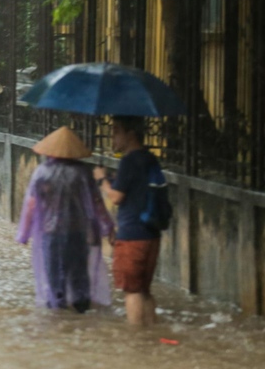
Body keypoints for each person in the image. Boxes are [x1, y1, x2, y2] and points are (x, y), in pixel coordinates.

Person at [17, 127, 113, 314]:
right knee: (79, 277)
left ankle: (58, 320)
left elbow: (31, 205)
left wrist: (23, 234)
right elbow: (96, 203)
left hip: (50, 234)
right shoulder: (83, 173)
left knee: (54, 279)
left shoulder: (42, 172)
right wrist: (107, 226)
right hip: (78, 234)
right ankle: (81, 312)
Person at [94, 116, 162, 325]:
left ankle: (135, 343)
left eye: (116, 130)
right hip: (152, 234)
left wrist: (101, 179)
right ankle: (152, 333)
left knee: (131, 291)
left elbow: (115, 197)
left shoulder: (129, 161)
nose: (112, 136)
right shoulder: (150, 159)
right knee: (144, 290)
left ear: (130, 134)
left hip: (132, 236)